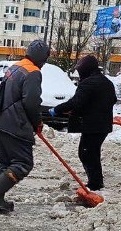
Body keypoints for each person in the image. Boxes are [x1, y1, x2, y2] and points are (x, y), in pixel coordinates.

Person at [0, 39, 50, 213]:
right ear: (42, 58)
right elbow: (32, 102)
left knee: (4, 161)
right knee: (22, 163)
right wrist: (38, 122)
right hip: (14, 124)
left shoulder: (15, 67)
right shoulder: (33, 72)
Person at [48, 54, 117, 192]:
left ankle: (95, 184)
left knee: (87, 153)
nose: (79, 74)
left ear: (86, 70)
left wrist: (56, 110)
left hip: (93, 125)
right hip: (103, 125)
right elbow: (112, 100)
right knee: (91, 152)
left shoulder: (88, 83)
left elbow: (76, 102)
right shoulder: (106, 82)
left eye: (80, 71)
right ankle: (95, 181)